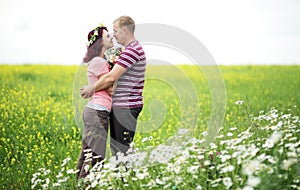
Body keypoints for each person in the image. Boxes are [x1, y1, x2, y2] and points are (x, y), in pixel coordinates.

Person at [80, 16, 146, 156]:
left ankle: (125, 177)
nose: (114, 35)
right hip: (122, 106)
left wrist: (90, 89)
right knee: (119, 150)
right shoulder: (129, 50)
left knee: (121, 151)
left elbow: (111, 78)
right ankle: (122, 177)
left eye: (115, 31)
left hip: (126, 107)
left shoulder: (131, 51)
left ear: (124, 30)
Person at [76, 24, 114, 179]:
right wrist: (117, 70)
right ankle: (87, 185)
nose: (111, 37)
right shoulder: (99, 62)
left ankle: (79, 183)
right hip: (98, 112)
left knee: (87, 154)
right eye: (107, 36)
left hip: (96, 111)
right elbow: (111, 90)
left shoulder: (101, 61)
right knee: (95, 157)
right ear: (99, 42)